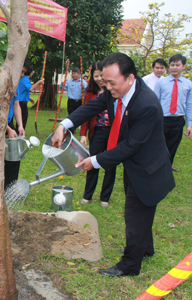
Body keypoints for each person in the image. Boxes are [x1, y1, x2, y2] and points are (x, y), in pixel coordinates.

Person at [52, 52, 175, 277]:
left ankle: (130, 264)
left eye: (111, 82)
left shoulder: (146, 104)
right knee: (141, 210)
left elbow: (131, 145)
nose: (107, 87)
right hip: (134, 165)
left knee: (136, 214)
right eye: (104, 81)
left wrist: (94, 161)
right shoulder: (114, 92)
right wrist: (64, 125)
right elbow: (91, 107)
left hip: (148, 168)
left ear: (130, 78)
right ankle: (145, 248)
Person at [79, 62, 116, 208]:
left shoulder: (114, 90)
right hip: (97, 132)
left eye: (102, 75)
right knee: (93, 162)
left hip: (113, 132)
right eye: (96, 76)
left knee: (111, 164)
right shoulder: (90, 93)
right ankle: (88, 195)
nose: (100, 78)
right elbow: (86, 113)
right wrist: (83, 134)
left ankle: (105, 197)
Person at [154, 54, 192, 172]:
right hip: (163, 120)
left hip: (178, 120)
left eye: (177, 65)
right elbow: (155, 102)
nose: (174, 67)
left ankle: (166, 168)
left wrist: (189, 124)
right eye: (172, 65)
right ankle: (157, 168)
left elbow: (189, 105)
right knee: (160, 146)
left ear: (183, 66)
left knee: (173, 146)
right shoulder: (161, 82)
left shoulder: (188, 84)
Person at [4, 87, 25, 189]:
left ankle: (10, 189)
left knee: (14, 158)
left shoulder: (16, 83)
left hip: (9, 123)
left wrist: (20, 125)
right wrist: (7, 129)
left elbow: (16, 105)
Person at [15, 57, 43, 131]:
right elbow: (31, 88)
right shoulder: (25, 79)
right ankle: (20, 132)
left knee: (21, 119)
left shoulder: (23, 79)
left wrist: (29, 98)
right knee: (22, 119)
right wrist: (39, 82)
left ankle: (19, 132)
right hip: (21, 103)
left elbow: (22, 91)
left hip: (21, 101)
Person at [60, 67, 87, 133]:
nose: (73, 75)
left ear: (78, 74)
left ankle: (76, 126)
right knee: (71, 115)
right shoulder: (69, 82)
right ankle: (72, 129)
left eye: (75, 73)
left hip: (79, 101)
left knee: (79, 115)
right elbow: (62, 87)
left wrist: (84, 87)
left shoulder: (83, 82)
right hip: (71, 101)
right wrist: (62, 84)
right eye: (72, 73)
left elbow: (87, 90)